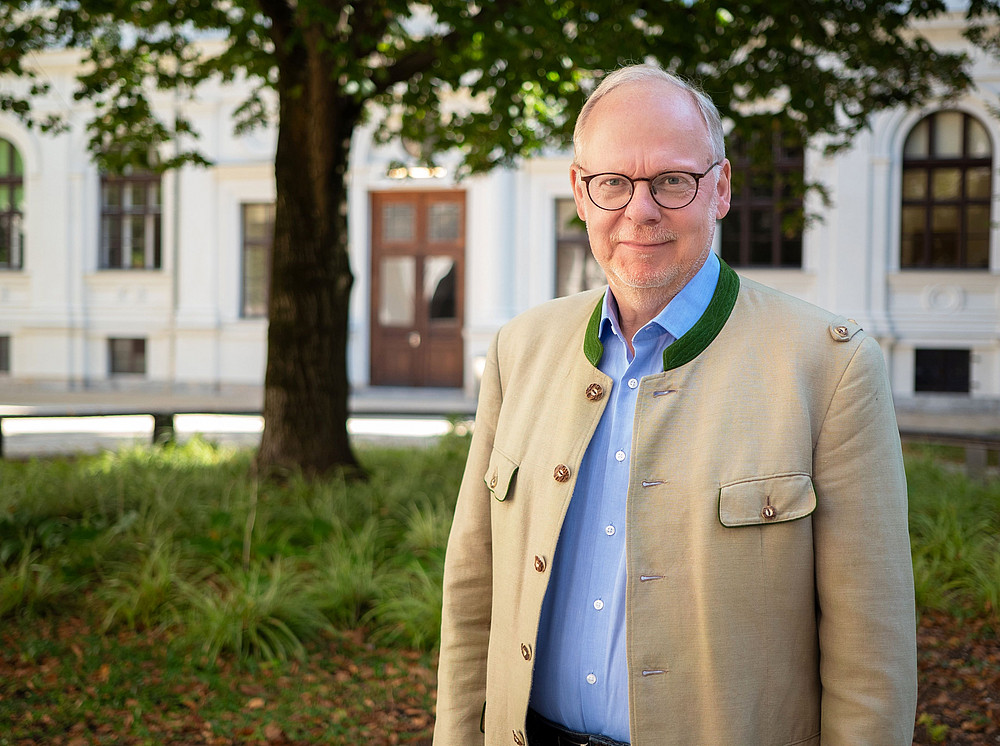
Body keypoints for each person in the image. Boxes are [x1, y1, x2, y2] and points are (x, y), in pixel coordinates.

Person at [433, 63, 917, 746]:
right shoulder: (522, 350)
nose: (641, 210)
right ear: (579, 191)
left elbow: (871, 662)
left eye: (672, 180)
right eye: (613, 184)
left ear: (719, 188)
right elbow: (472, 593)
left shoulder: (828, 368)